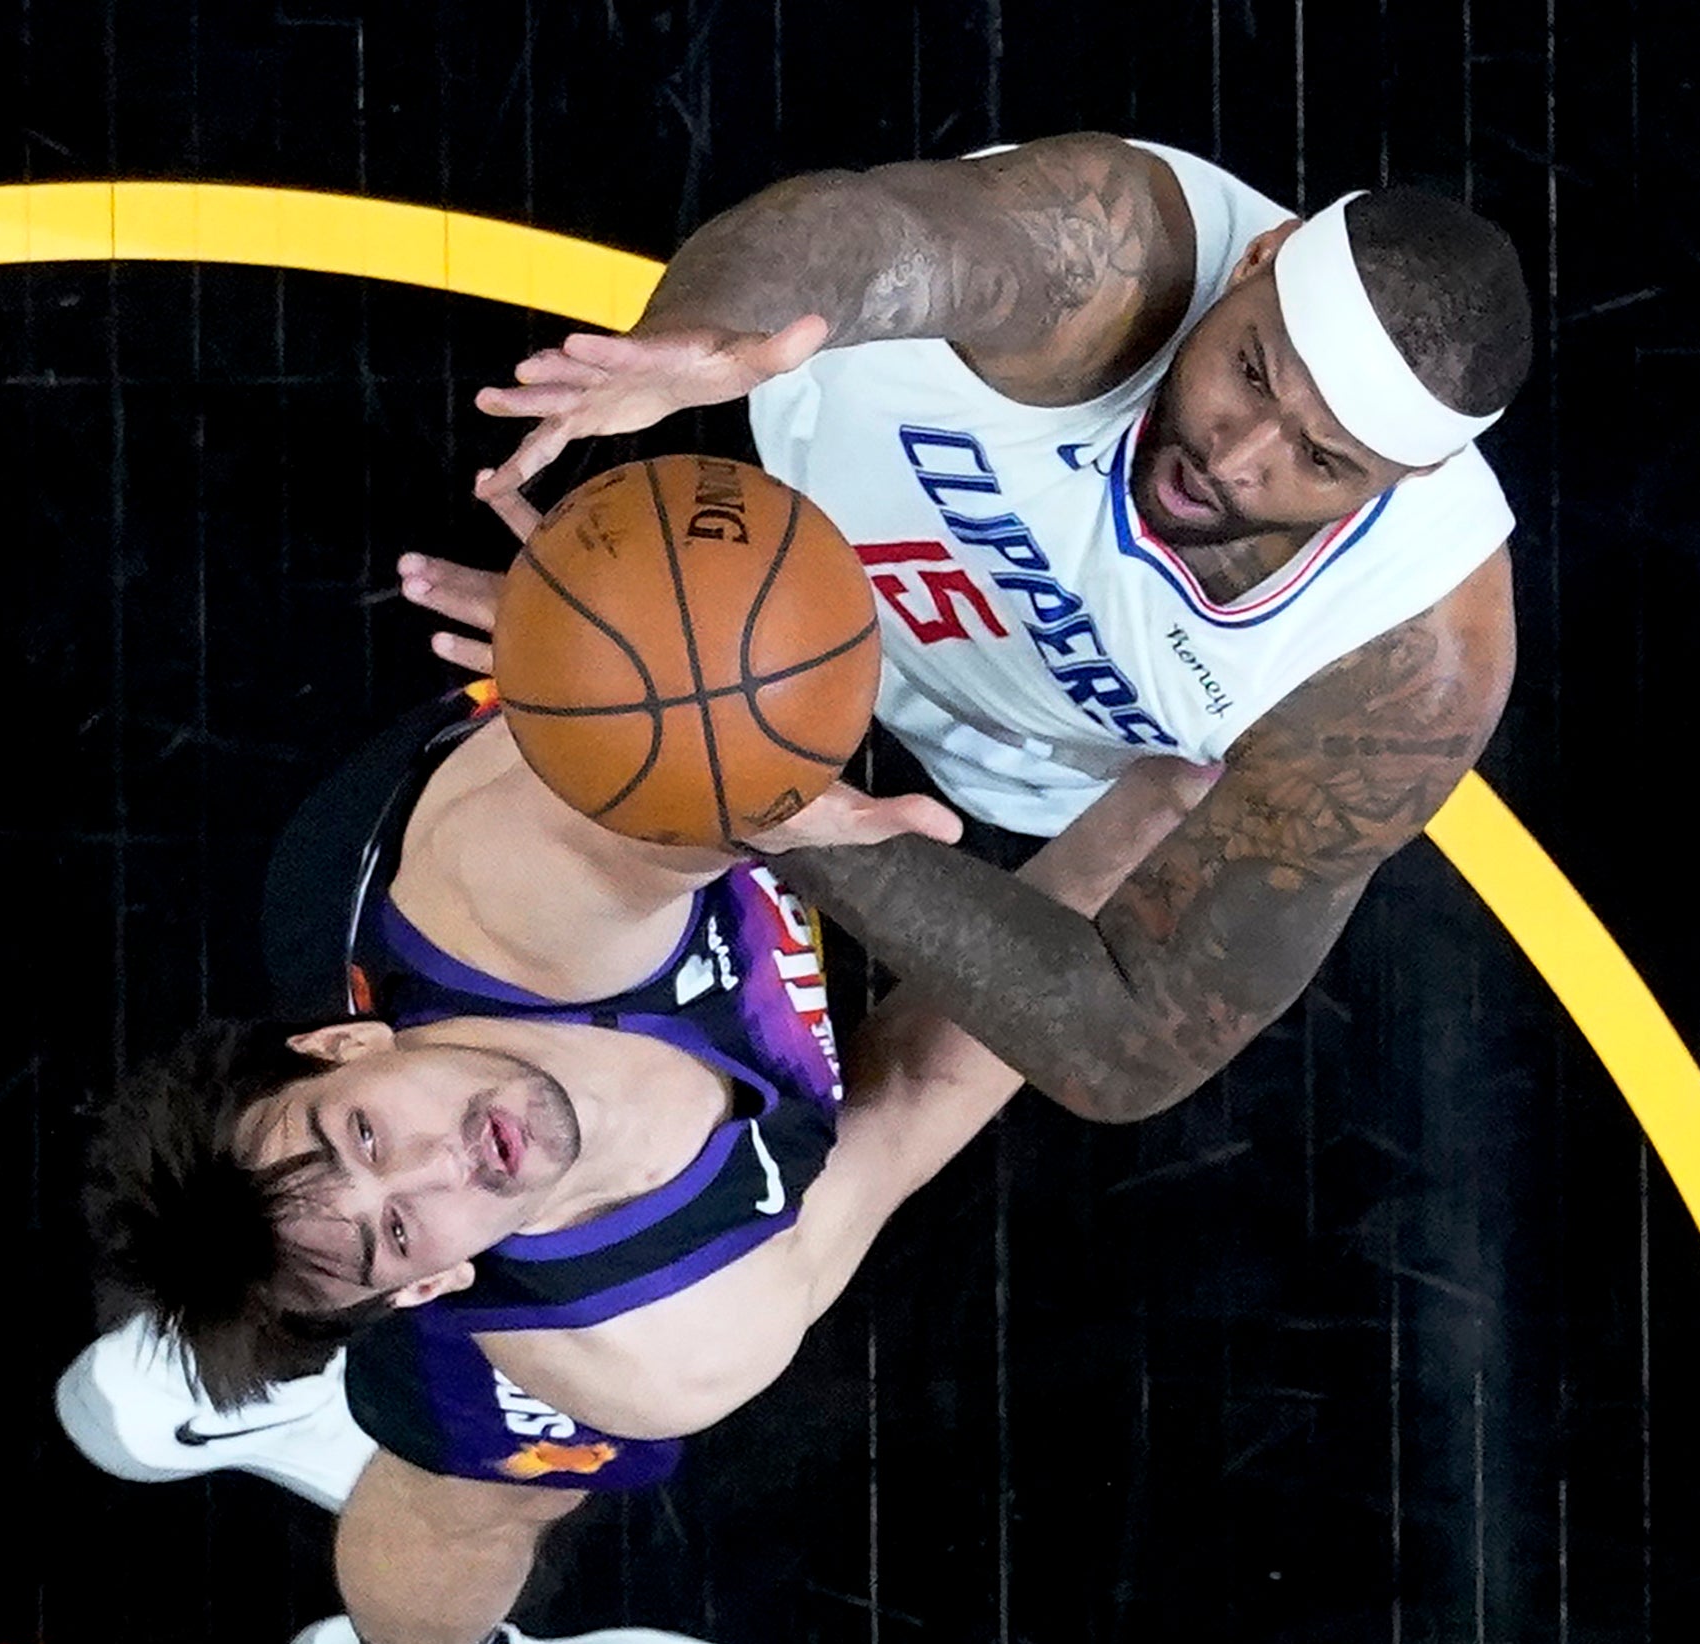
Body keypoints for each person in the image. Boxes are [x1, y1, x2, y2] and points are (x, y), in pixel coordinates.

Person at [61, 676, 1190, 1644]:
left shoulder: (520, 888)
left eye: (363, 1131)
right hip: (538, 1294)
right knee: (490, 1496)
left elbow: (673, 779)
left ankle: (266, 1339)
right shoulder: (657, 1341)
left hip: (463, 830)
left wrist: (670, 695)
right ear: (438, 1282)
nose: (442, 1158)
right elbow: (915, 1098)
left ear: (348, 1040)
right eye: (394, 1227)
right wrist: (1153, 811)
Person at [407, 133, 1531, 1121]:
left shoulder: (1408, 663)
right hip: (761, 515)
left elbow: (1130, 1043)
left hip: (991, 785)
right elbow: (858, 230)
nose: (1236, 458)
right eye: (1250, 372)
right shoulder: (1115, 253)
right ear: (1259, 257)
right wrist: (714, 327)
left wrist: (762, 786)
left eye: (1322, 460)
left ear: (1415, 474)